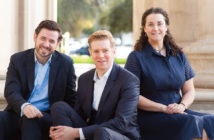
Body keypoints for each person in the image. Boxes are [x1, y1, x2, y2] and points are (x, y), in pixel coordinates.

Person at [125, 7, 214, 140]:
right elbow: (132, 96)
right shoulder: (136, 57)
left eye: (160, 23)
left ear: (166, 27)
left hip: (177, 111)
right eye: (150, 24)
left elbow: (190, 90)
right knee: (190, 122)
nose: (155, 28)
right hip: (150, 116)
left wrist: (182, 106)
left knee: (211, 120)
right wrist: (163, 108)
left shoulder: (179, 55)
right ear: (144, 29)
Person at [49, 30, 141, 140]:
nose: (101, 56)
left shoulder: (129, 80)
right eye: (96, 51)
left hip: (119, 135)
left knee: (102, 132)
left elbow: (121, 123)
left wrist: (76, 133)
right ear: (90, 52)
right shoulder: (84, 79)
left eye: (105, 51)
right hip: (92, 132)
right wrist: (60, 131)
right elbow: (79, 114)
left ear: (114, 51)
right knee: (59, 107)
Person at [0, 20, 76, 140]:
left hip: (46, 116)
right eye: (43, 38)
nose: (46, 44)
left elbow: (71, 98)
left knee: (30, 120)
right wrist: (25, 106)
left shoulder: (66, 63)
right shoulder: (18, 59)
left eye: (52, 41)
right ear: (35, 37)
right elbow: (11, 91)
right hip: (19, 111)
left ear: (58, 44)